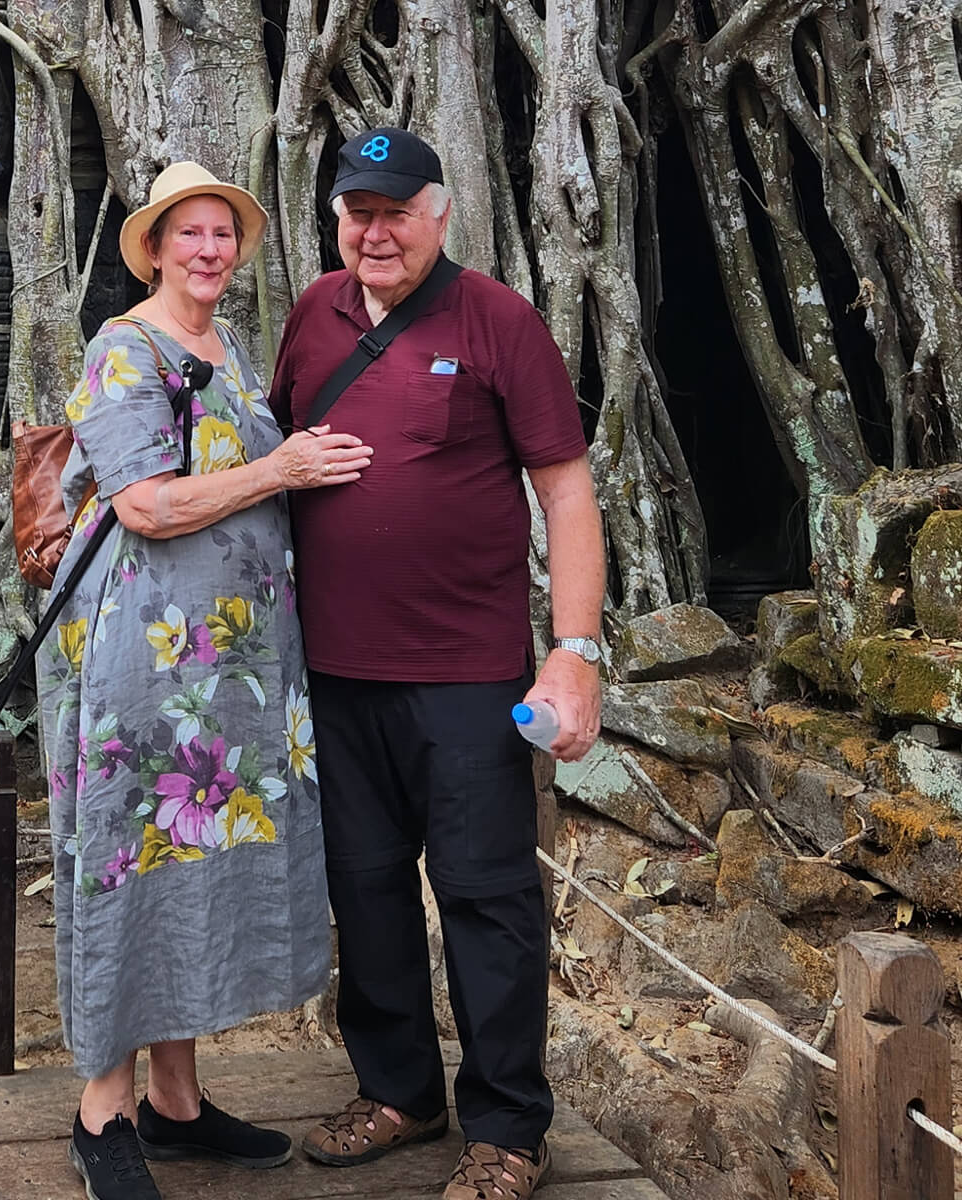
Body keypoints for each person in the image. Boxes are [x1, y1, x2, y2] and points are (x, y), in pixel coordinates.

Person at [269, 128, 605, 1200]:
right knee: (364, 889)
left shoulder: (498, 320)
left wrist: (574, 654)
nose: (375, 232)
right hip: (334, 670)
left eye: (395, 211)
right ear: (336, 221)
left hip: (467, 670)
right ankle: (400, 1092)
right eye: (356, 212)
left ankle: (509, 1126)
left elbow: (565, 493)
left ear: (439, 215)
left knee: (485, 893)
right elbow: (273, 465)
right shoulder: (311, 317)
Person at [36, 162, 372, 1200]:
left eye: (224, 233)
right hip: (144, 663)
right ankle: (104, 1112)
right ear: (155, 247)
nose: (210, 250)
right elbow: (145, 505)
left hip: (232, 669)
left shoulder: (230, 350)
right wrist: (282, 470)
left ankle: (176, 1103)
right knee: (130, 860)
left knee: (192, 859)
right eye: (190, 233)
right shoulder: (122, 348)